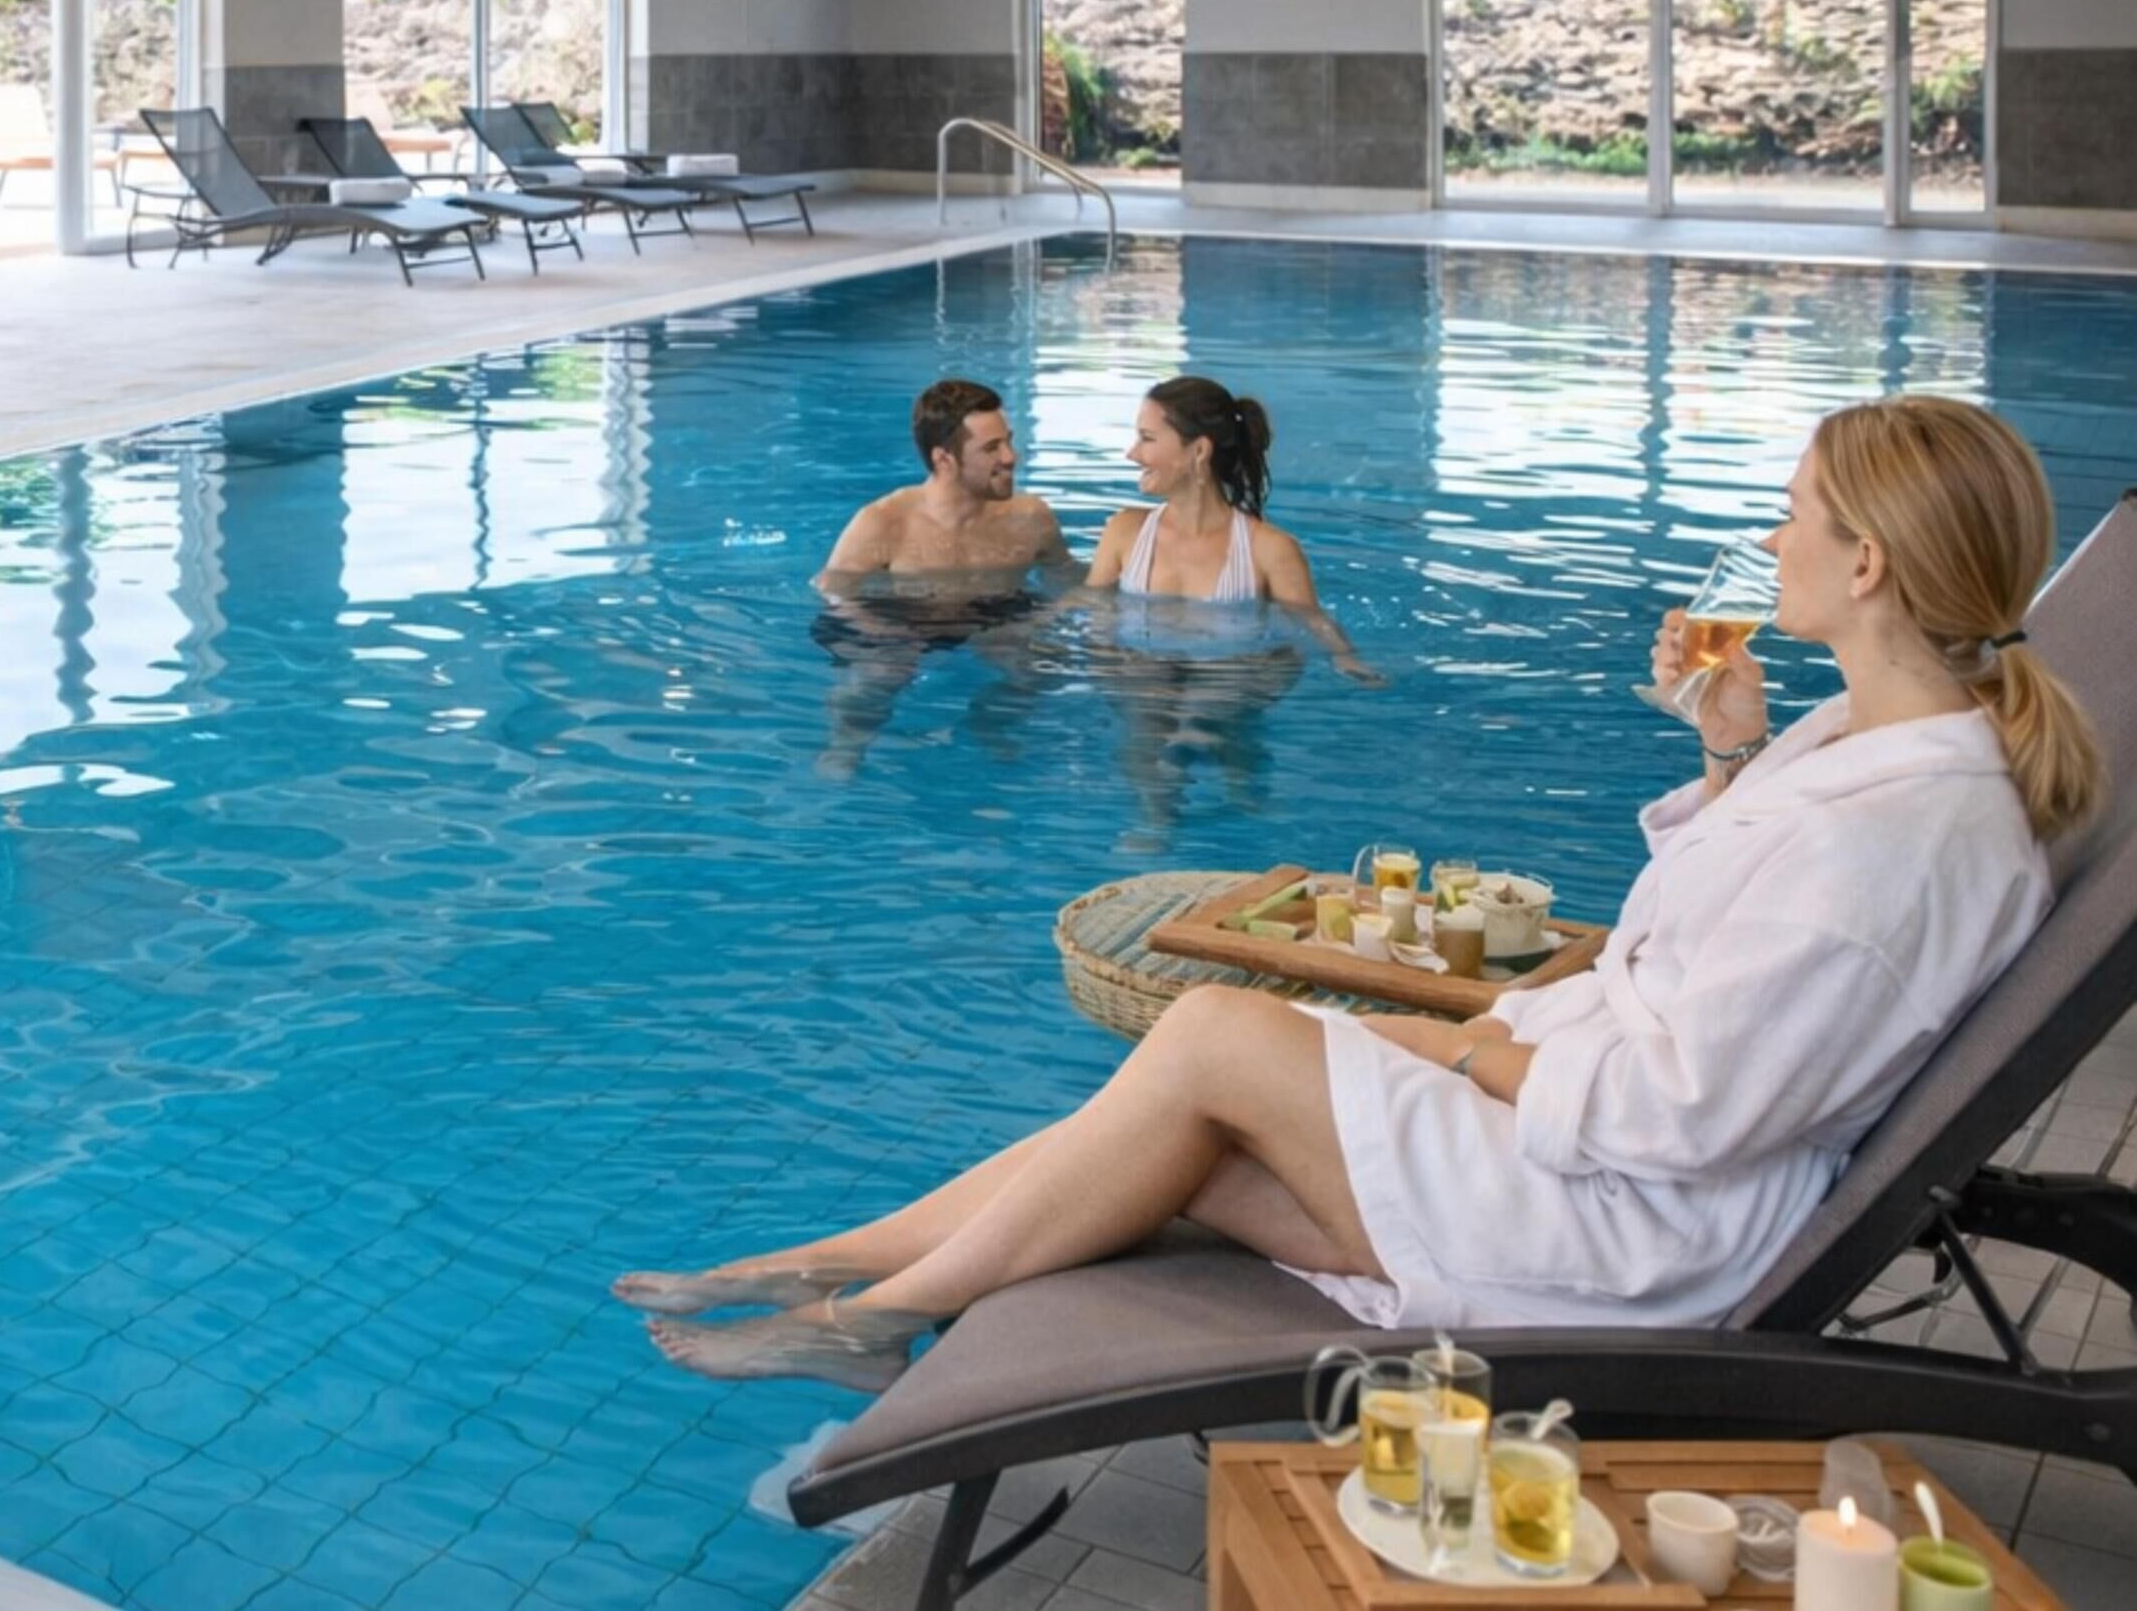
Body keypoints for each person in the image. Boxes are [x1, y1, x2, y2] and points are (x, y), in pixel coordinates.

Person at [617, 396, 2102, 1383]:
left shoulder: (1891, 840)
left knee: (1207, 1033)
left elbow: (1686, 1113)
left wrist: (1452, 1041)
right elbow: (1732, 974)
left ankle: (877, 1313)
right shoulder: (1874, 750)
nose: (1769, 538)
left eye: (1793, 516)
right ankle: (835, 1270)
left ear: (1869, 564)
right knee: (1173, 1120)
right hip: (1595, 1144)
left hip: (1638, 1235)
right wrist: (1730, 759)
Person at [810, 379, 1073, 775]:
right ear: (944, 459)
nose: (1011, 457)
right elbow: (831, 593)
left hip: (994, 610)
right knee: (879, 674)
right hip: (905, 618)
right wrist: (885, 634)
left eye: (1008, 441)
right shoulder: (884, 522)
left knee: (1047, 663)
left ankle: (990, 723)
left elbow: (1067, 579)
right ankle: (847, 745)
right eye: (991, 448)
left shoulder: (1030, 519)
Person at [1084, 376, 1374, 680]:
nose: (1133, 454)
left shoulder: (1270, 549)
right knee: (1144, 682)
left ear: (1198, 451)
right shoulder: (1124, 531)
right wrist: (1039, 630)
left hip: (1231, 674)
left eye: (1147, 438)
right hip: (1143, 668)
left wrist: (1347, 658)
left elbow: (1311, 620)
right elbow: (1092, 605)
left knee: (1207, 705)